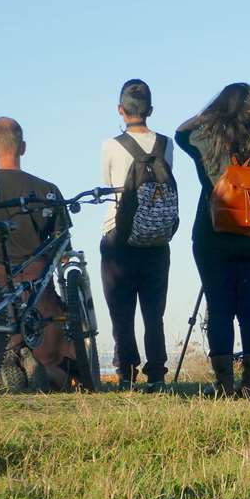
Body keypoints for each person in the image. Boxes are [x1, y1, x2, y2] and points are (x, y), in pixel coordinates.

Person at [0, 118, 78, 390]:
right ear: (22, 147)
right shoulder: (48, 190)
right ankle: (39, 368)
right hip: (38, 293)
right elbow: (62, 249)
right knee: (62, 371)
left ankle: (0, 368)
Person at [177, 83, 250, 397]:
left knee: (219, 308)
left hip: (213, 238)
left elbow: (180, 132)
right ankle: (249, 384)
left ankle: (222, 385)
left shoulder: (203, 140)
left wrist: (208, 114)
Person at [99, 79, 174, 391]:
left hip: (119, 237)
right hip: (158, 238)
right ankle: (156, 374)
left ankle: (126, 374)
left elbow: (107, 184)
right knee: (153, 313)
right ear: (151, 110)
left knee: (121, 312)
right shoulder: (166, 144)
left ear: (120, 110)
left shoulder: (110, 145)